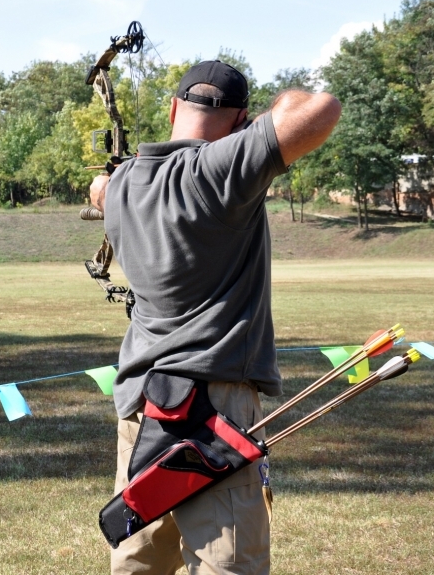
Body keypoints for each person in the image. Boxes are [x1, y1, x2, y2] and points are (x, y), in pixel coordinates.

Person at [89, 60, 341, 575]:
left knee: (138, 562)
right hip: (213, 411)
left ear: (173, 107)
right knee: (229, 566)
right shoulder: (221, 167)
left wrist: (109, 180)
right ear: (241, 120)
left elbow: (98, 190)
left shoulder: (123, 185)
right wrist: (252, 132)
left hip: (141, 402)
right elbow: (320, 108)